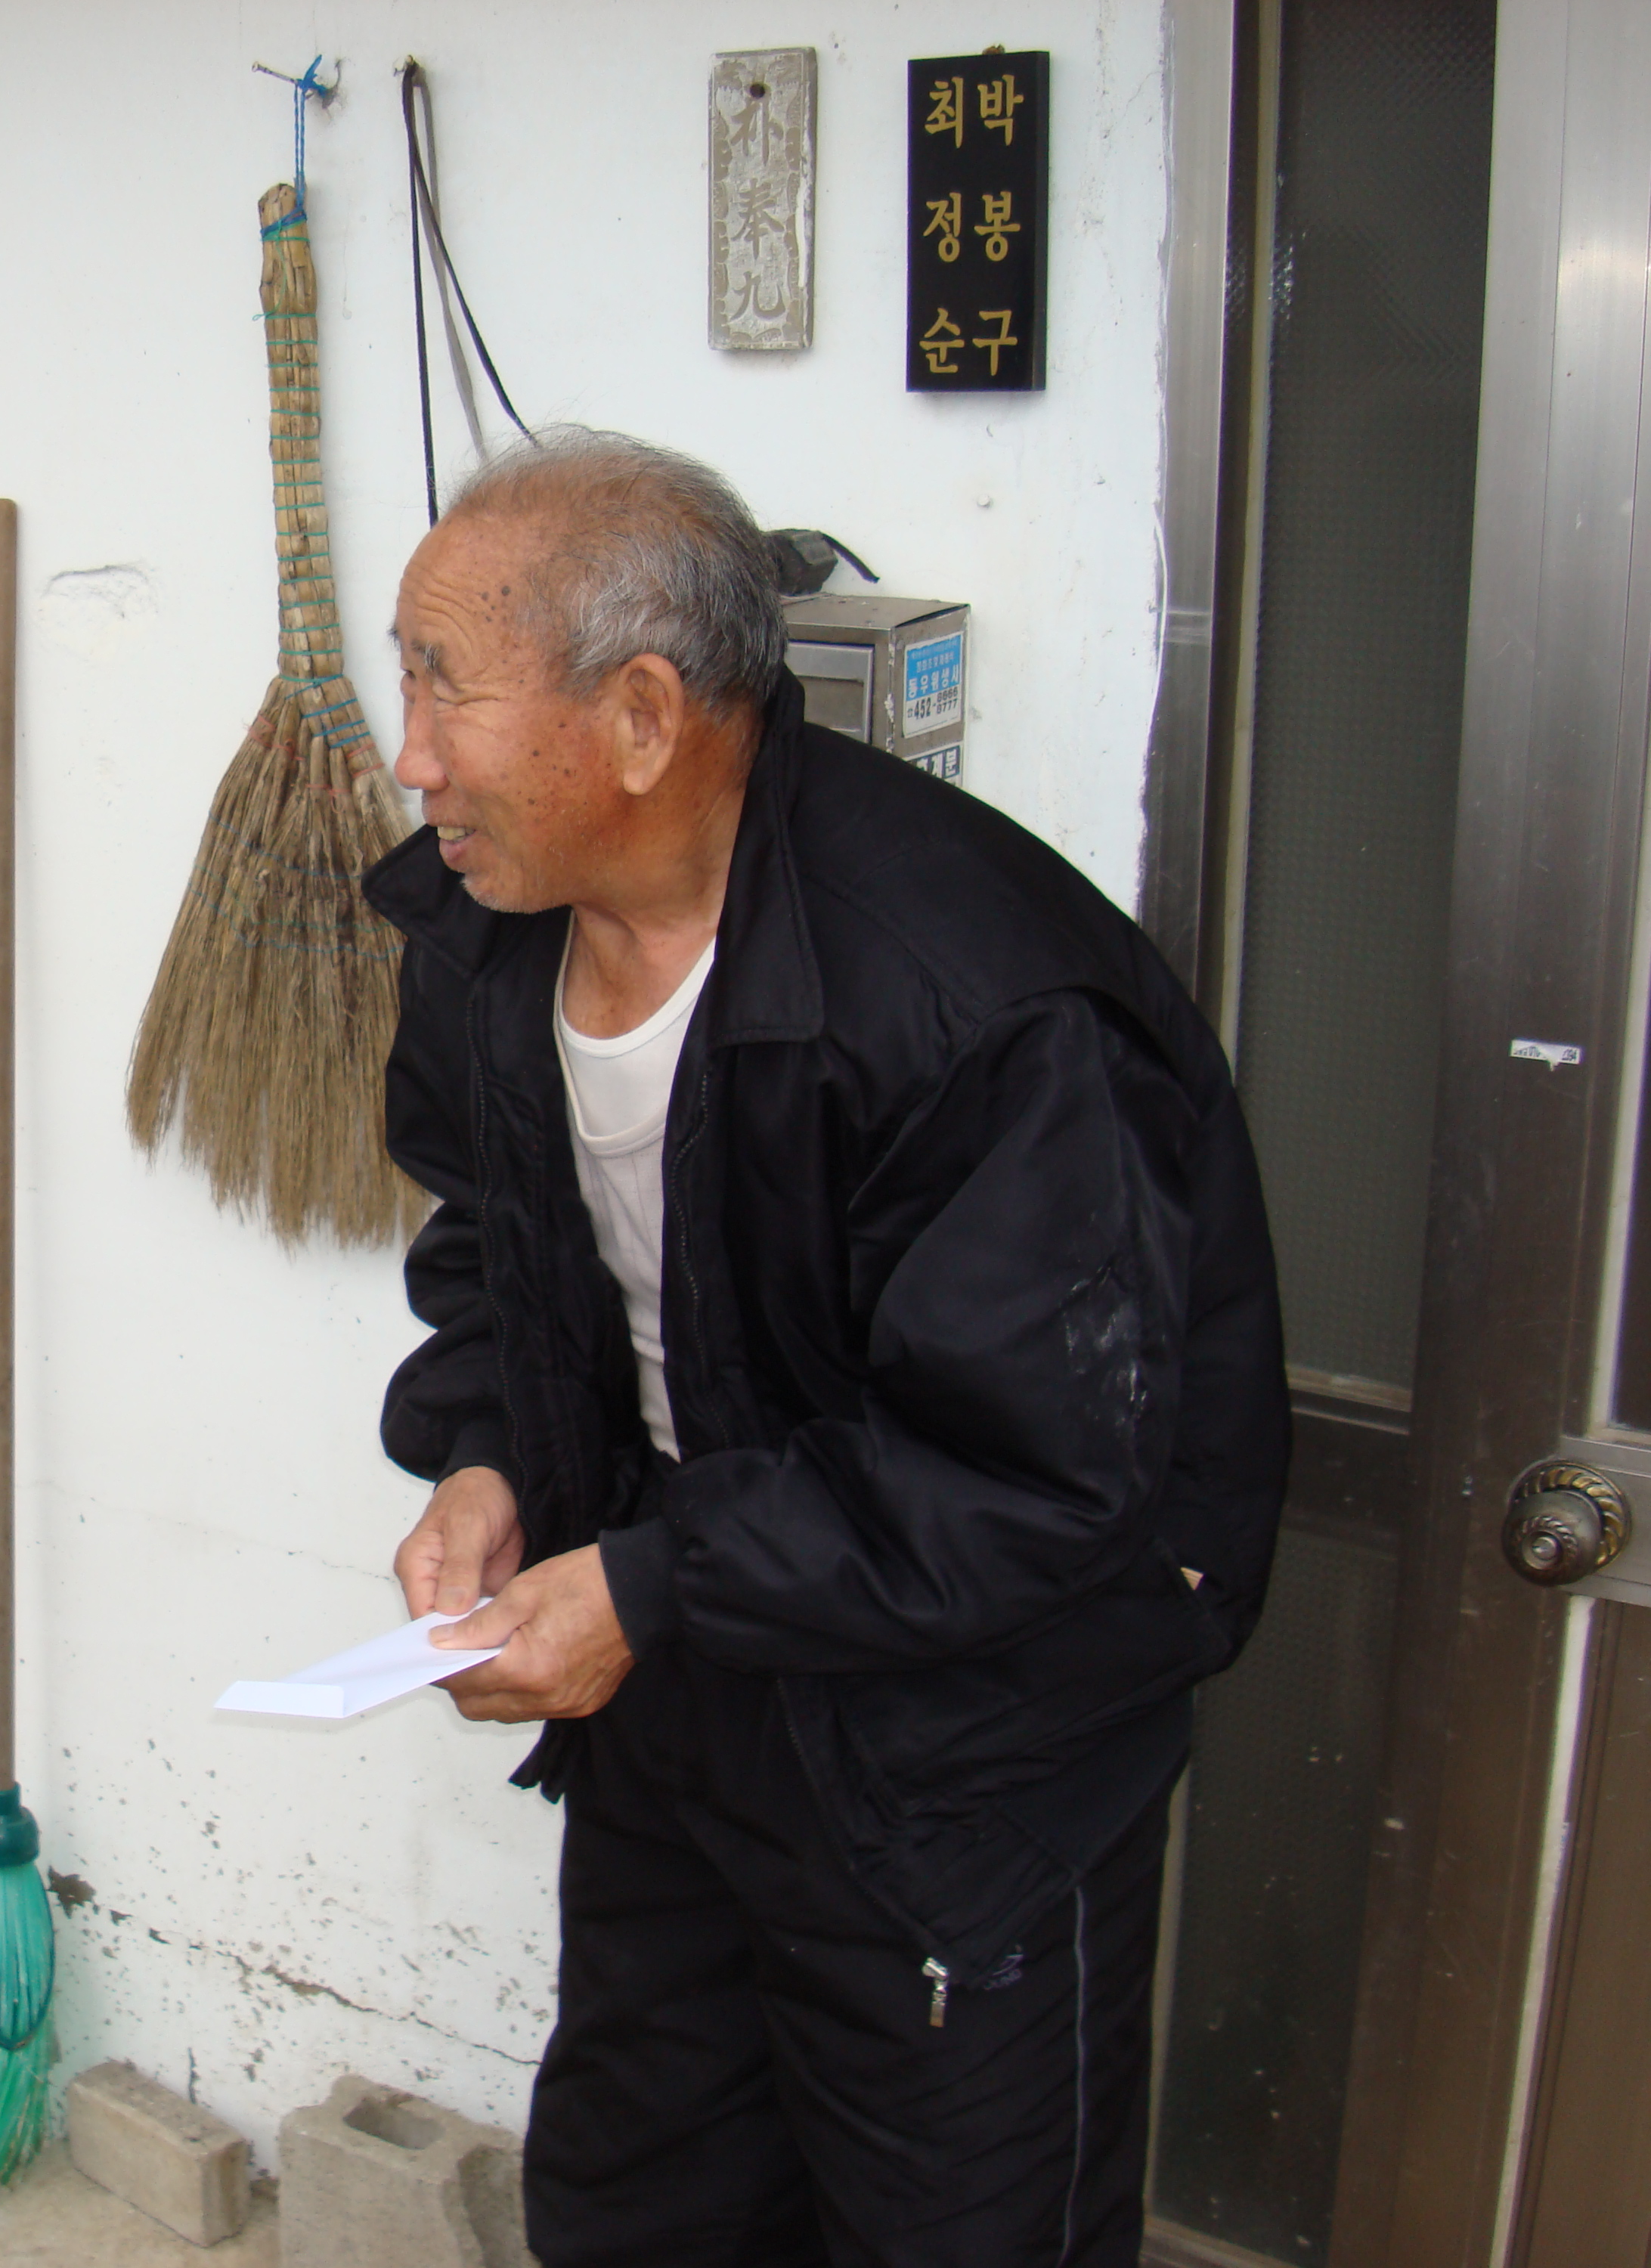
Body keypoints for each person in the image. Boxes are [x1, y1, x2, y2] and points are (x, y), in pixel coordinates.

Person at [370, 428, 1287, 2266]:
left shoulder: (972, 998)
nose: (412, 755)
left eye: (444, 685)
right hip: (679, 1684)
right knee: (641, 2202)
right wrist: (488, 1456)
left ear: (642, 716)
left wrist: (649, 1581)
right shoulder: (488, 935)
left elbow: (1031, 1473)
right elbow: (491, 1247)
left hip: (960, 1754)